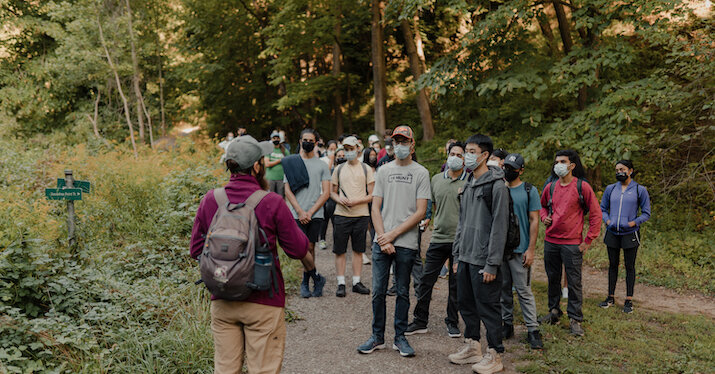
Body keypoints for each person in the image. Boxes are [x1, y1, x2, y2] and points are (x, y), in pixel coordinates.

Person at [190, 135, 315, 374]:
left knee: (225, 370)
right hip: (264, 301)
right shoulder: (271, 202)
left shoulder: (211, 199)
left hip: (223, 298)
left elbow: (195, 250)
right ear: (257, 167)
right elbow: (298, 249)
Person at [357, 125, 430, 358]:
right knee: (378, 291)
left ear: (412, 145)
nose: (399, 145)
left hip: (406, 243)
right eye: (396, 141)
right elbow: (375, 207)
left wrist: (392, 235)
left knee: (402, 292)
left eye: (404, 141)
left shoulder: (421, 172)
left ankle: (400, 337)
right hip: (382, 241)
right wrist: (382, 237)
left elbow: (420, 212)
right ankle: (377, 336)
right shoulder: (384, 171)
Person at [449, 134, 508, 374]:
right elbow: (462, 224)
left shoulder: (497, 186)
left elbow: (499, 227)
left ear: (485, 155)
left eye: (472, 151)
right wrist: (456, 256)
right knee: (466, 304)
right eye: (466, 151)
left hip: (484, 259)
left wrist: (492, 264)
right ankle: (472, 345)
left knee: (489, 307)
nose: (467, 156)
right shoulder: (469, 183)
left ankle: (495, 354)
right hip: (465, 257)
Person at [405, 142, 467, 339]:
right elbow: (430, 204)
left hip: (460, 241)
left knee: (456, 285)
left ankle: (452, 322)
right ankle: (420, 320)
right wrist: (427, 219)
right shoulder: (436, 179)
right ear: (447, 155)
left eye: (460, 154)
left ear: (465, 159)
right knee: (425, 281)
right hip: (438, 237)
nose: (455, 157)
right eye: (453, 153)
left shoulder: (470, 182)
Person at [538, 150, 602, 337]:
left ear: (572, 165)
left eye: (563, 161)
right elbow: (542, 206)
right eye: (556, 161)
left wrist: (587, 241)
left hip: (572, 243)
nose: (558, 164)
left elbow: (596, 214)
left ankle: (575, 319)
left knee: (574, 282)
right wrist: (544, 218)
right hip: (551, 241)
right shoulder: (550, 186)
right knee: (552, 279)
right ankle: (554, 311)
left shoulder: (582, 187)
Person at [500, 153, 544, 350]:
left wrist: (531, 249)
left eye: (512, 168)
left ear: (521, 170)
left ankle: (533, 330)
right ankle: (506, 324)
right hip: (501, 250)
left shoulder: (529, 190)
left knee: (524, 292)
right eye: (506, 167)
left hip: (520, 250)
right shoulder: (499, 188)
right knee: (503, 290)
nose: (508, 171)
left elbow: (534, 220)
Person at [598, 160, 651, 313]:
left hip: (630, 233)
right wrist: (607, 220)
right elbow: (602, 209)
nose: (619, 172)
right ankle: (610, 297)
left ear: (630, 171)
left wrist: (634, 222)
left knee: (629, 267)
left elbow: (646, 213)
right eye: (617, 169)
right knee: (612, 265)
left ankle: (628, 300)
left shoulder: (639, 190)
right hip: (612, 232)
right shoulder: (610, 189)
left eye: (622, 169)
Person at [284, 128, 330, 298]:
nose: (308, 143)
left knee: (310, 246)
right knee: (301, 248)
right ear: (300, 141)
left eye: (311, 140)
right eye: (305, 139)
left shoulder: (322, 165)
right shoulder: (291, 162)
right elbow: (287, 189)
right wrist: (299, 211)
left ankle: (307, 281)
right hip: (297, 212)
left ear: (316, 143)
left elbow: (326, 192)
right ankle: (315, 278)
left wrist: (310, 212)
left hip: (315, 213)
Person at [330, 136, 374, 297]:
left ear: (358, 149)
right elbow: (332, 192)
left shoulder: (366, 169)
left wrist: (357, 201)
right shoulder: (339, 169)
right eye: (346, 149)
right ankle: (341, 282)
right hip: (341, 214)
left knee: (358, 249)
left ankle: (356, 281)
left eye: (351, 149)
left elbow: (372, 194)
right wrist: (339, 199)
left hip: (361, 214)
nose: (349, 152)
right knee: (340, 250)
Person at [318, 140, 339, 250]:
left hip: (335, 194)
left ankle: (337, 240)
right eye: (330, 148)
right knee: (324, 218)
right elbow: (325, 175)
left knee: (335, 218)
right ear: (326, 149)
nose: (333, 151)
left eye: (334, 149)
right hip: (323, 193)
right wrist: (330, 161)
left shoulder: (339, 160)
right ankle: (322, 239)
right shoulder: (322, 160)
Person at [265, 131, 289, 197]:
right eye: (274, 138)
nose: (276, 140)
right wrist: (279, 161)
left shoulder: (284, 150)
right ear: (271, 139)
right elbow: (267, 164)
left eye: (277, 138)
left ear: (280, 139)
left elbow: (288, 164)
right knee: (270, 197)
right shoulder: (269, 150)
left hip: (281, 178)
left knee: (280, 198)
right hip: (270, 178)